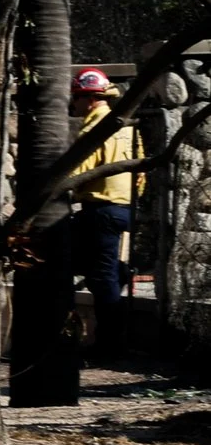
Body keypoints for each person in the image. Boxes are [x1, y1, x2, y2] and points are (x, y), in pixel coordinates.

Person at [68, 68, 143, 334]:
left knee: (100, 275)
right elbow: (140, 171)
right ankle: (119, 277)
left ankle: (111, 341)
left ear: (88, 98)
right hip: (124, 208)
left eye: (76, 97)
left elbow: (77, 170)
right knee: (102, 269)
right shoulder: (126, 126)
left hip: (100, 210)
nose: (73, 103)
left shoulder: (94, 128)